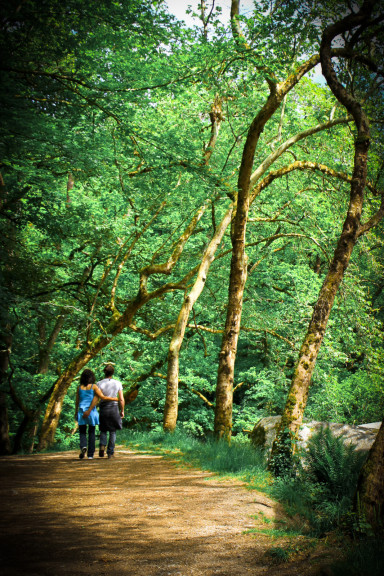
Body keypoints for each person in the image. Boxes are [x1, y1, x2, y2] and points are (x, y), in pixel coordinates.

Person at [75, 368, 118, 460]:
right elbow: (102, 397)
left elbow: (77, 402)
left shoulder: (79, 388)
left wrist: (76, 413)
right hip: (91, 412)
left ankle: (83, 446)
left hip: (81, 412)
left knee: (82, 432)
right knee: (92, 432)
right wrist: (115, 399)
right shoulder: (93, 387)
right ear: (91, 377)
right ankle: (90, 454)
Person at [85, 363, 124, 459]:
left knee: (103, 429)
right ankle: (110, 452)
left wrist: (90, 409)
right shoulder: (118, 383)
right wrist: (122, 410)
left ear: (104, 372)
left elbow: (97, 398)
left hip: (103, 407)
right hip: (114, 407)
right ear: (113, 373)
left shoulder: (99, 383)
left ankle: (102, 447)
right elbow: (121, 399)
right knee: (113, 431)